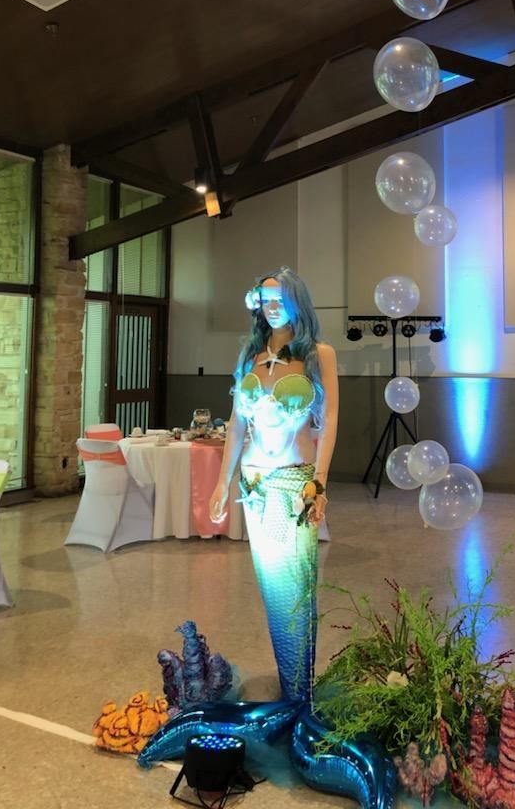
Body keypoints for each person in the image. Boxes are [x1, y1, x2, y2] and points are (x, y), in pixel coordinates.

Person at [209, 268, 338, 704]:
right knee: (271, 586)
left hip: (293, 482)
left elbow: (332, 418)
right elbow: (236, 424)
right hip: (255, 485)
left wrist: (319, 482)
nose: (272, 305)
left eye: (280, 297)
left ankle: (299, 692)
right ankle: (290, 686)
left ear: (298, 300)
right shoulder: (249, 357)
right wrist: (222, 483)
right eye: (264, 298)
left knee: (296, 589)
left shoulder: (320, 354)